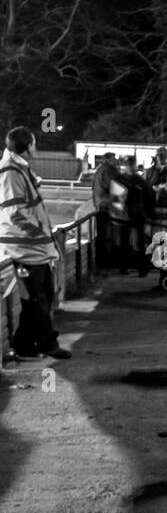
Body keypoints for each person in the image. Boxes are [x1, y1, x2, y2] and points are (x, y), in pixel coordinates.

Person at [0, 126, 70, 360]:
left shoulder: (17, 169)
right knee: (40, 298)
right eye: (34, 143)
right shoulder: (11, 171)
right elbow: (15, 212)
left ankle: (25, 344)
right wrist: (41, 232)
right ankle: (47, 344)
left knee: (38, 299)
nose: (36, 146)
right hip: (26, 247)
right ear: (28, 146)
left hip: (31, 247)